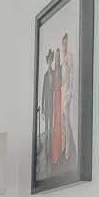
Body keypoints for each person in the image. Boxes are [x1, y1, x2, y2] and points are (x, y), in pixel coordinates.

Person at [61, 32, 77, 163]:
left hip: (67, 93)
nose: (64, 46)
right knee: (63, 120)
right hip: (63, 92)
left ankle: (68, 149)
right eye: (63, 44)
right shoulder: (64, 59)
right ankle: (64, 146)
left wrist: (70, 92)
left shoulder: (69, 57)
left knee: (67, 121)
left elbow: (71, 74)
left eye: (66, 43)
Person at [39, 48, 55, 176]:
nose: (50, 61)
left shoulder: (54, 73)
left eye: (51, 59)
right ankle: (47, 152)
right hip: (48, 104)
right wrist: (43, 109)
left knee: (52, 127)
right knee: (47, 128)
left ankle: (52, 151)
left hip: (54, 103)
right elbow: (43, 93)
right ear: (47, 61)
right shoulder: (45, 76)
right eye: (48, 60)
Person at [51, 42, 65, 165]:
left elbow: (62, 82)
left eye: (58, 56)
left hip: (60, 95)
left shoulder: (60, 68)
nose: (57, 58)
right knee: (55, 122)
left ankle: (59, 152)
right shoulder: (54, 70)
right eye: (56, 56)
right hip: (55, 95)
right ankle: (54, 153)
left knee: (59, 122)